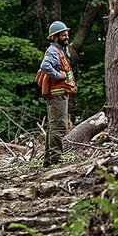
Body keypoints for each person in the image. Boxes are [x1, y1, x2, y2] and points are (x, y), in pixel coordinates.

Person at [36, 20, 76, 165]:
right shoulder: (53, 51)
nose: (67, 37)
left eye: (67, 34)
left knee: (53, 127)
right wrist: (59, 76)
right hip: (57, 95)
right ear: (55, 37)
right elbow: (45, 65)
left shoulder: (60, 50)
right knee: (59, 127)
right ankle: (56, 159)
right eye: (63, 35)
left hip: (59, 95)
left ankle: (48, 160)